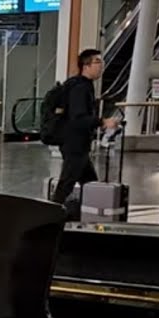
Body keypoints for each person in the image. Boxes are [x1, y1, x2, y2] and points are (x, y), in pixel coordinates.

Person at [50, 49, 119, 209]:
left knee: (90, 183)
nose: (101, 66)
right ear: (85, 66)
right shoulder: (80, 88)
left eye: (101, 62)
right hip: (74, 144)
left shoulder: (83, 85)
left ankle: (93, 212)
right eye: (97, 62)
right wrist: (103, 122)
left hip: (79, 144)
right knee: (66, 184)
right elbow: (78, 118)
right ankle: (50, 214)